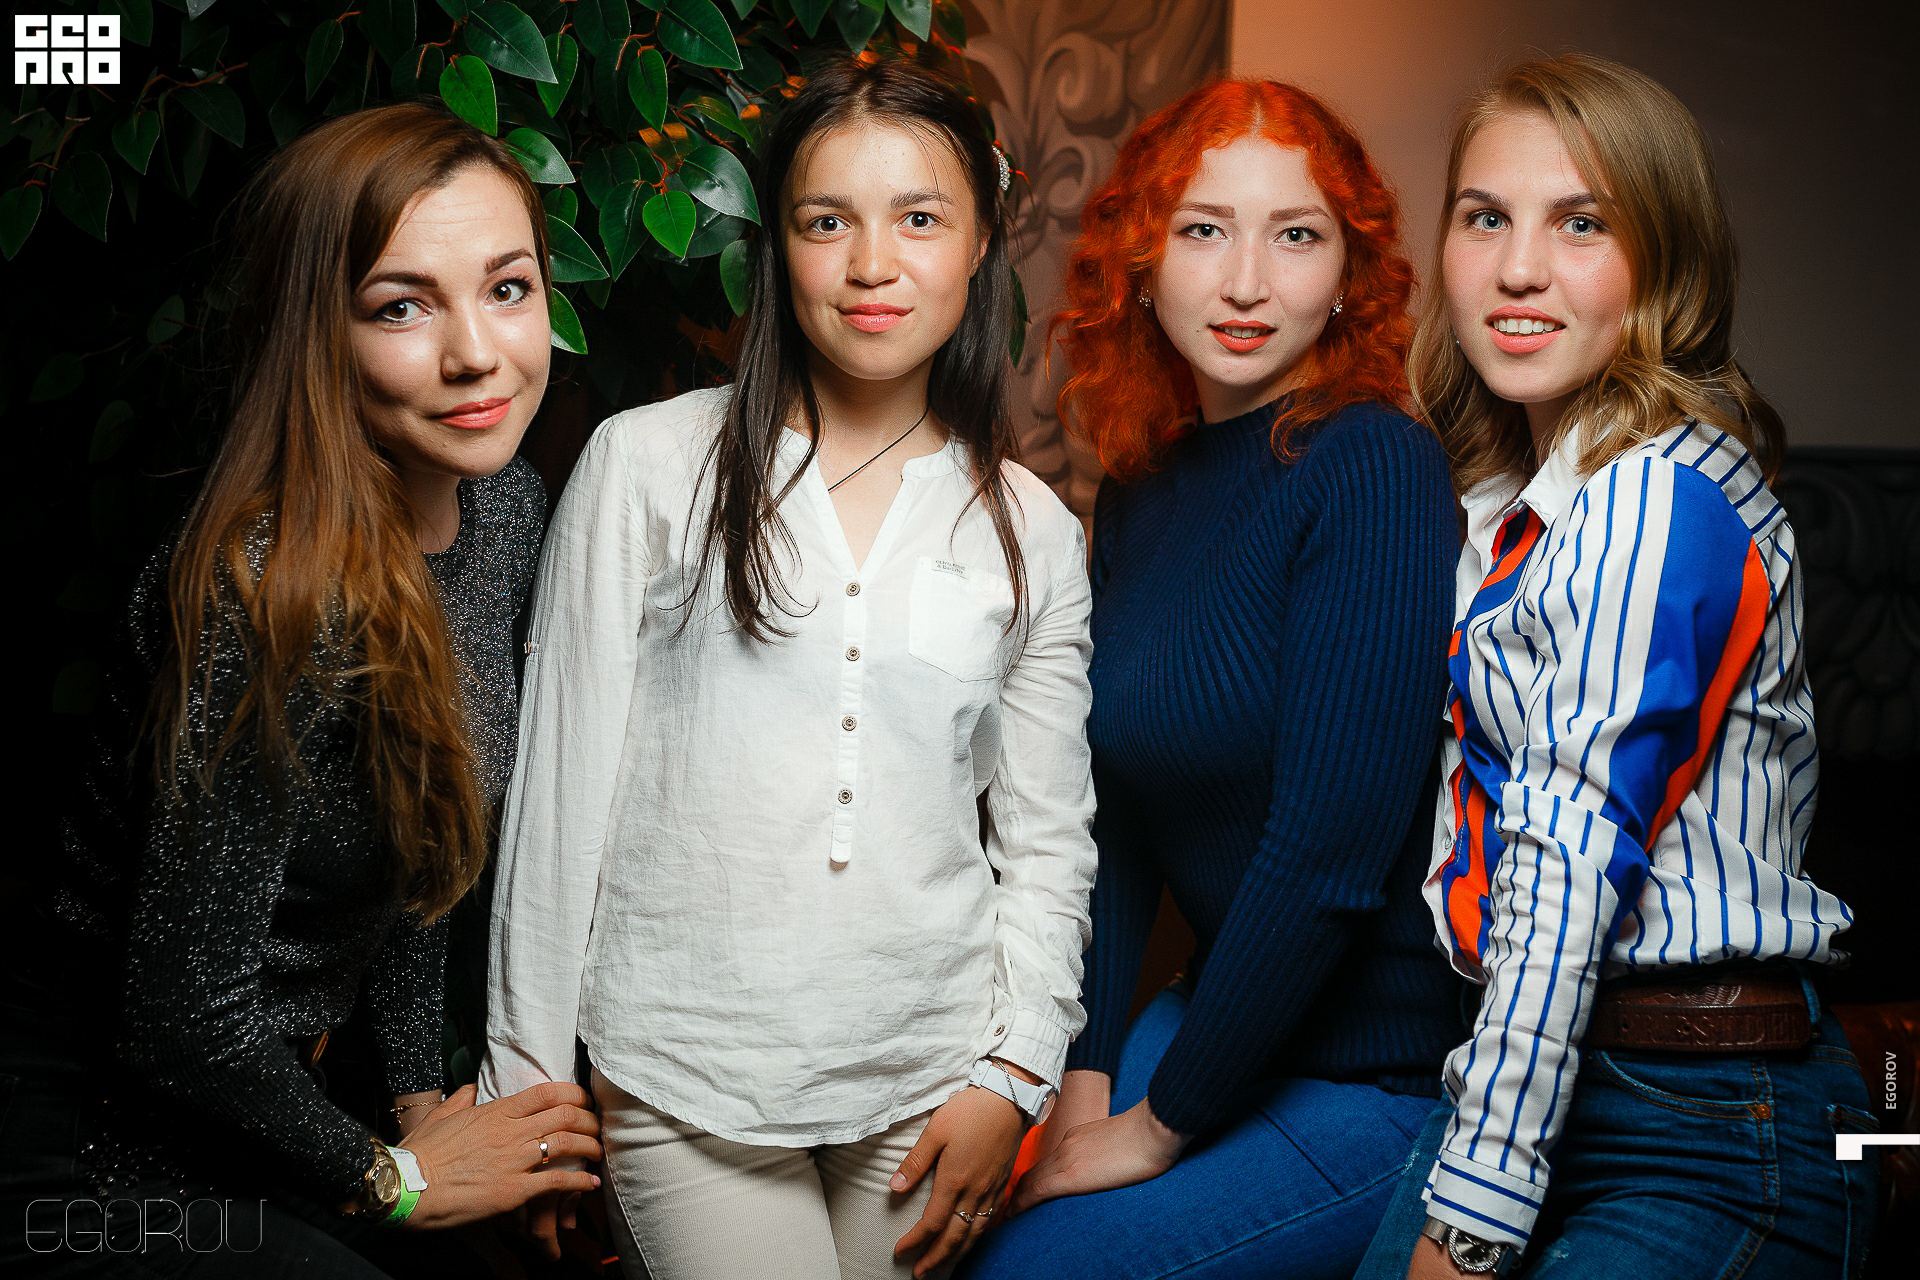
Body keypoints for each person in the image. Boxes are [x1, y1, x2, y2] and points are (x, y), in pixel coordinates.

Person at [478, 56, 1098, 1280]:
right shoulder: (647, 464)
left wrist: (1014, 1070)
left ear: (980, 243)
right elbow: (558, 802)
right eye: (828, 222)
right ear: (780, 247)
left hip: (930, 1081)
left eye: (919, 218)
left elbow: (1046, 839)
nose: (872, 264)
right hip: (685, 1074)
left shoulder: (1033, 530)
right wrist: (527, 1091)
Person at [0, 103, 602, 1277]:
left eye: (508, 288)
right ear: (317, 331)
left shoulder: (504, 509)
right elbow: (177, 1014)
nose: (477, 353)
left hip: (287, 1111)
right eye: (401, 306)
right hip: (90, 1150)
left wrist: (422, 1102)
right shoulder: (268, 588)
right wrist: (397, 1177)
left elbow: (426, 837)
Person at [1351, 54, 1878, 1280]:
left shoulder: (1650, 497)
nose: (1518, 268)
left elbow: (1568, 861)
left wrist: (1468, 1225)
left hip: (1716, 1120)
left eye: (1581, 223)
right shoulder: (1508, 503)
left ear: (1664, 262)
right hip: (1532, 1071)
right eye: (1485, 217)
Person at [959, 78, 1463, 1280]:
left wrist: (1156, 1124)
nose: (1246, 282)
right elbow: (1119, 814)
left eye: (1296, 235)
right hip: (1213, 1013)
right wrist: (1084, 1071)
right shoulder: (1144, 488)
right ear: (1141, 262)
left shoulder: (1376, 467)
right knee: (957, 1236)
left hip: (1379, 1072)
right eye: (1203, 229)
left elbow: (1328, 859)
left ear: (1347, 273)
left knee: (1029, 1274)